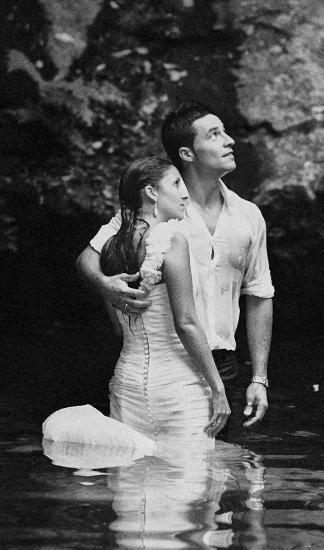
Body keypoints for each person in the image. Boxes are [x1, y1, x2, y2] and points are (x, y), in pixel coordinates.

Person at [77, 102, 274, 429]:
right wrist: (104, 284)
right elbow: (88, 257)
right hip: (170, 358)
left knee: (214, 474)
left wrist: (260, 378)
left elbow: (259, 295)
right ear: (187, 153)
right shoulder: (157, 209)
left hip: (223, 363)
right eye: (215, 135)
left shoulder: (249, 215)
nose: (230, 141)